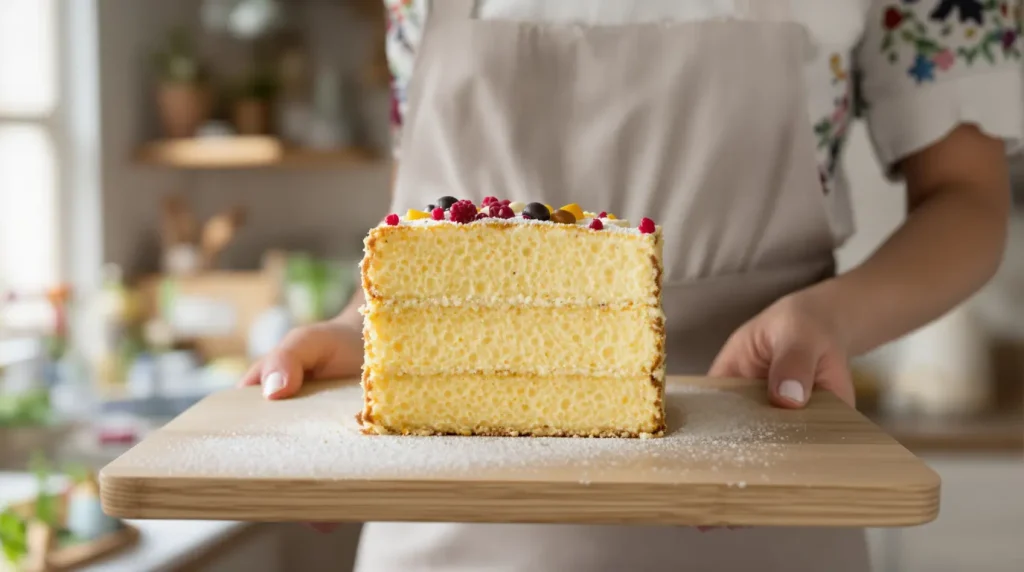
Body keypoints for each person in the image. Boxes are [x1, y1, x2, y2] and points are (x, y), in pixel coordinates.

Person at [241, 1, 1022, 570]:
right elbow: (427, 214)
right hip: (453, 519)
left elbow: (969, 197)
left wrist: (832, 317)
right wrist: (364, 329)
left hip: (759, 490)